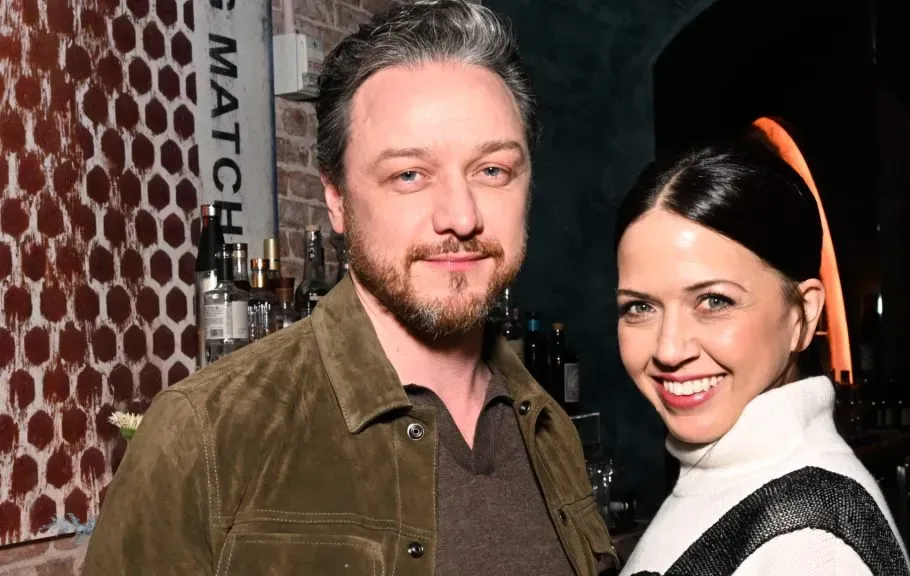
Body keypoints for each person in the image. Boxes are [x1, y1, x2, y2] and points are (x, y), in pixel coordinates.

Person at [83, 2, 615, 574]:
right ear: (335, 198)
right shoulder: (204, 436)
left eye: (492, 170)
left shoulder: (550, 429)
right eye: (409, 175)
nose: (461, 217)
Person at [614, 138, 910, 575]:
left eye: (714, 301)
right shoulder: (731, 476)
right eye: (640, 307)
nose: (669, 349)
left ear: (802, 314)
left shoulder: (810, 544)